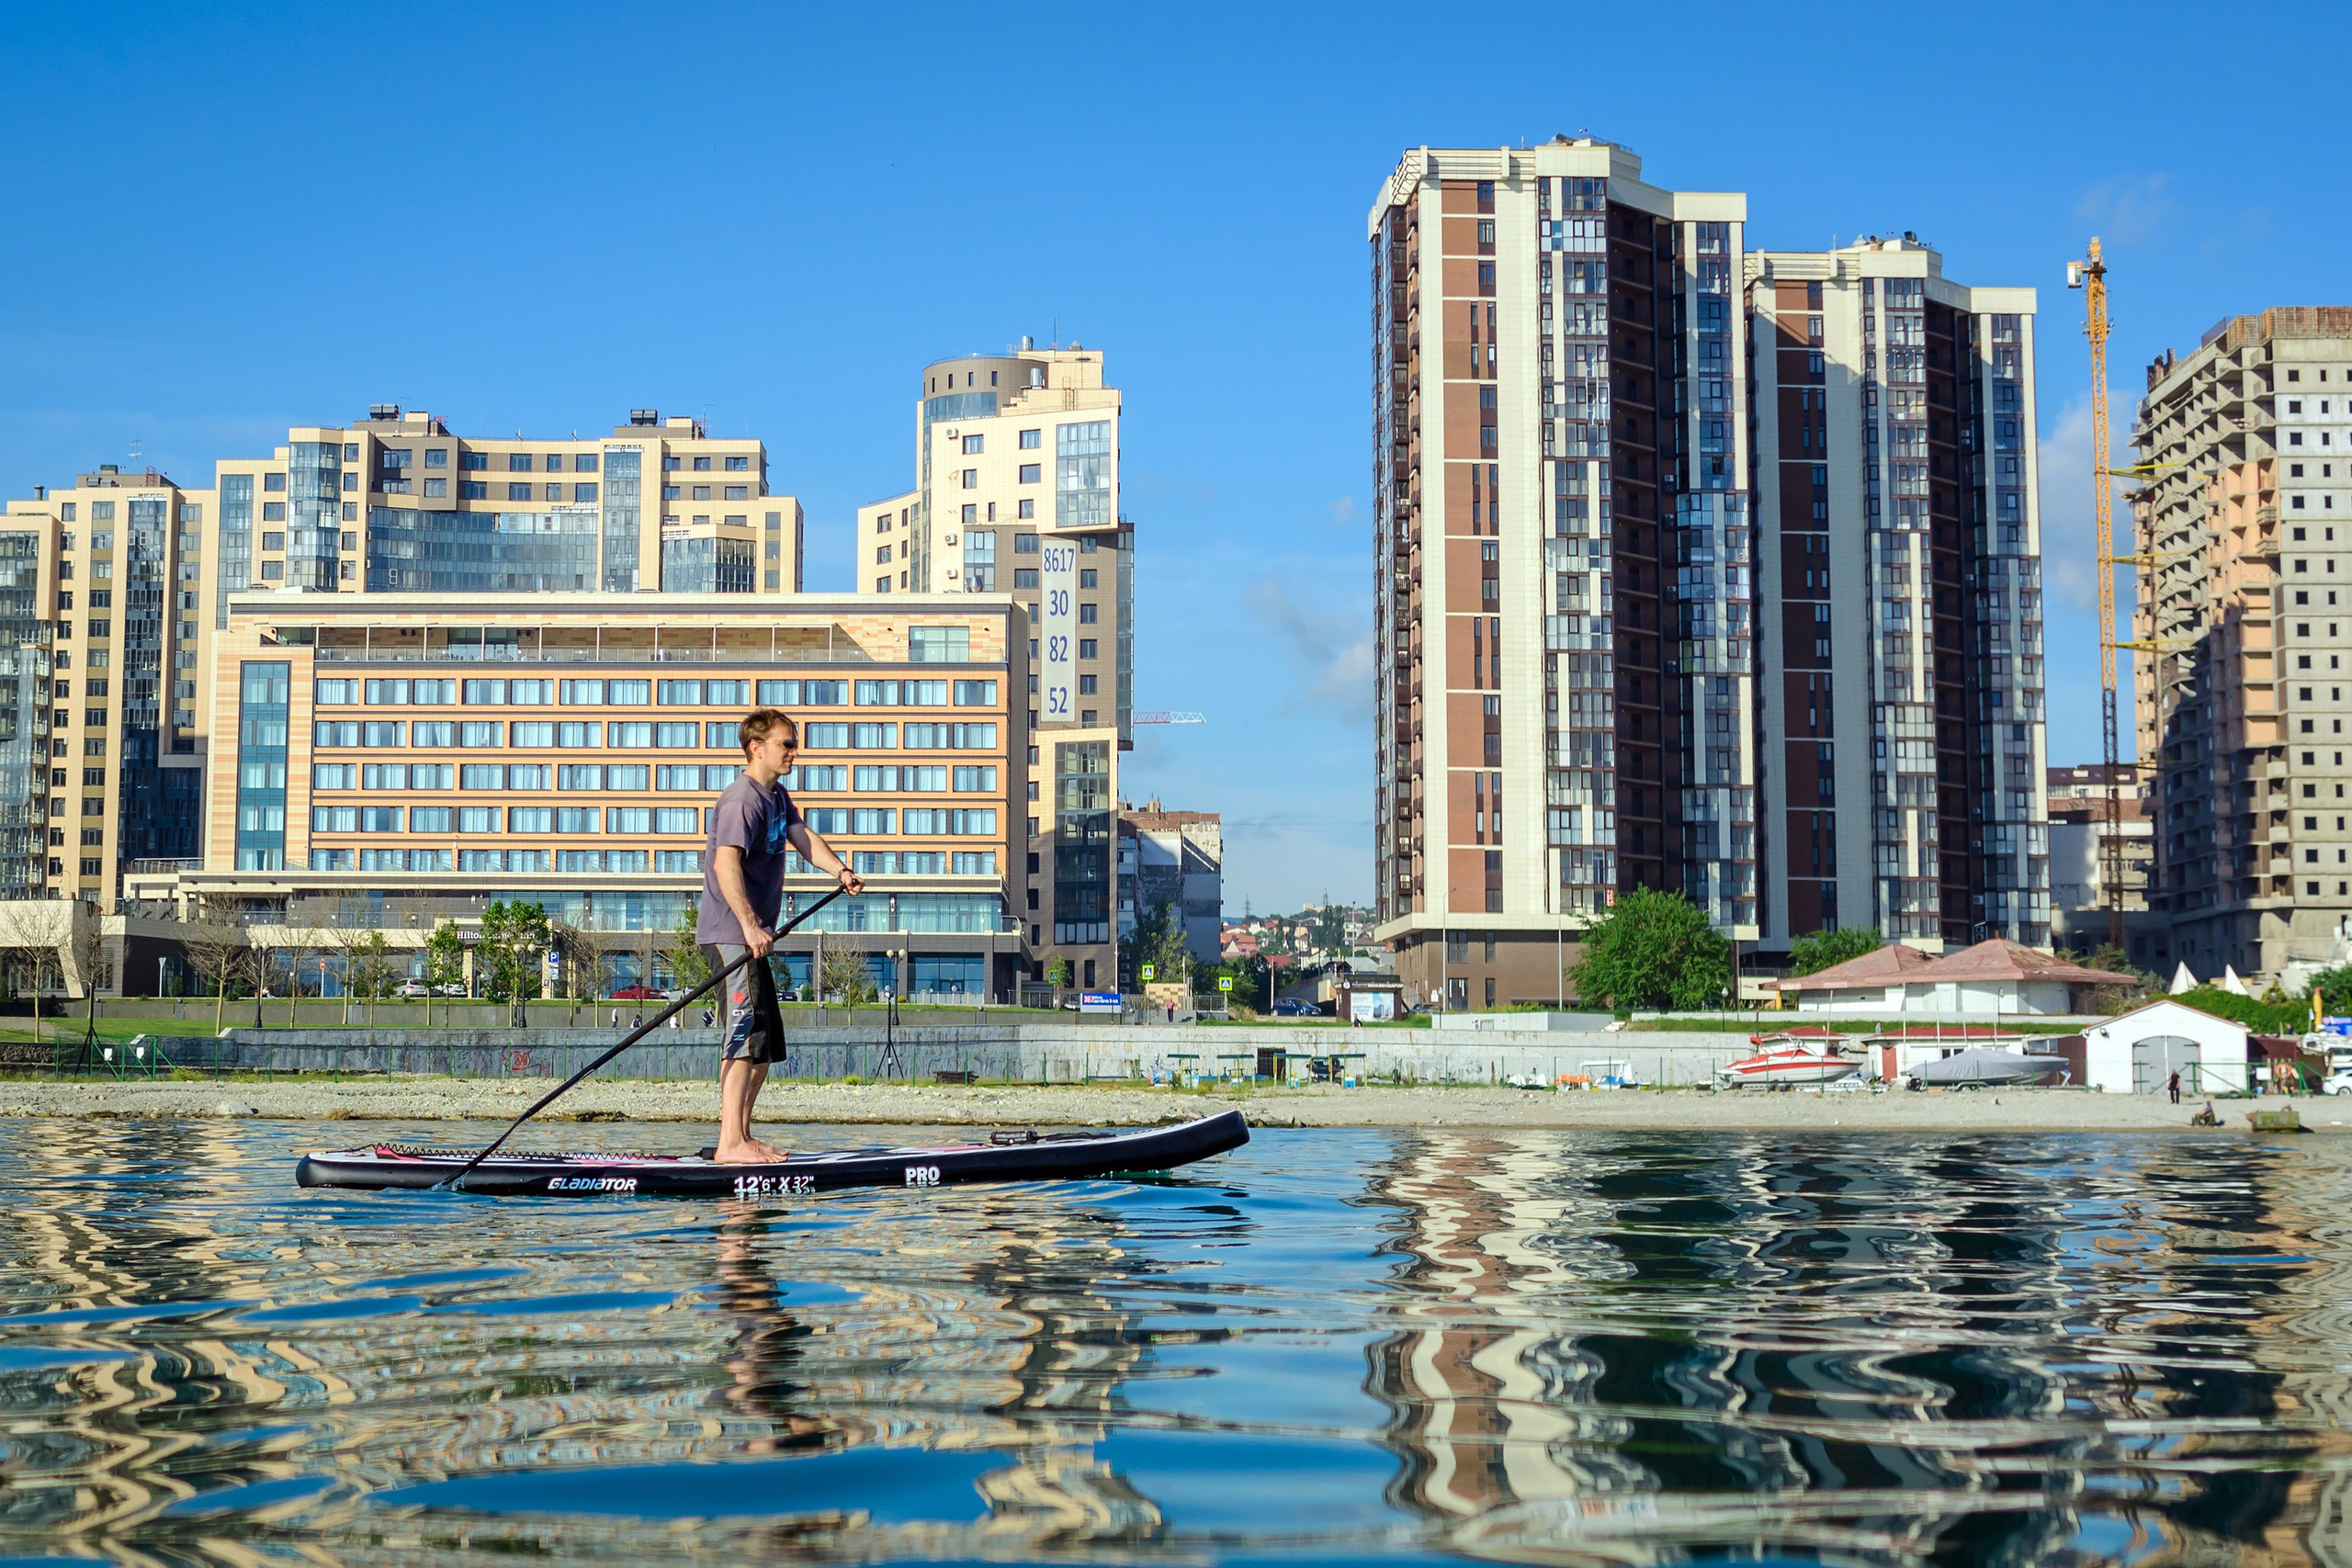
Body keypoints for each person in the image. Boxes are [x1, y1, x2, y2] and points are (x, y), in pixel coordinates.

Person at [699, 708, 862, 1164]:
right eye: (786, 743)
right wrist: (751, 926)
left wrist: (840, 870)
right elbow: (725, 865)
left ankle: (743, 1136)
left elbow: (802, 836)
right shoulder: (741, 800)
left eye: (794, 743)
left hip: (752, 938)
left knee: (766, 1045)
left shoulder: (776, 797)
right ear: (757, 747)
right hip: (731, 934)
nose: (795, 751)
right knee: (744, 1032)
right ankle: (729, 1143)